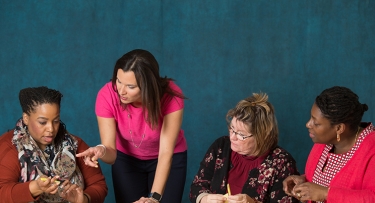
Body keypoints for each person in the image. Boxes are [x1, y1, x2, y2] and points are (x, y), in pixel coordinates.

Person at [76, 49, 188, 203]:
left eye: (130, 86)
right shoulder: (107, 95)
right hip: (126, 159)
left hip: (167, 157)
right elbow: (111, 153)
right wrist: (101, 150)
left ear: (148, 85)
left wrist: (154, 198)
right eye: (118, 80)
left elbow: (166, 152)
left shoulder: (171, 95)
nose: (121, 91)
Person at [0, 86, 108, 203]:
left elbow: (98, 184)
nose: (51, 129)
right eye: (42, 122)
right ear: (26, 118)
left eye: (56, 121)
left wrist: (84, 199)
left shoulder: (75, 145)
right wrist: (35, 188)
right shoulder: (9, 147)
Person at [189, 92, 300, 203]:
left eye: (241, 135)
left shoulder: (282, 163)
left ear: (262, 136)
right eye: (232, 128)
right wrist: (204, 198)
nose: (232, 137)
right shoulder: (221, 146)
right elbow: (197, 186)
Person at [282, 86, 375, 202]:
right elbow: (327, 181)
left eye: (316, 123)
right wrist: (304, 182)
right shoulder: (325, 141)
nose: (308, 124)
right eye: (311, 118)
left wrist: (325, 193)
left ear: (339, 128)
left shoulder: (371, 150)